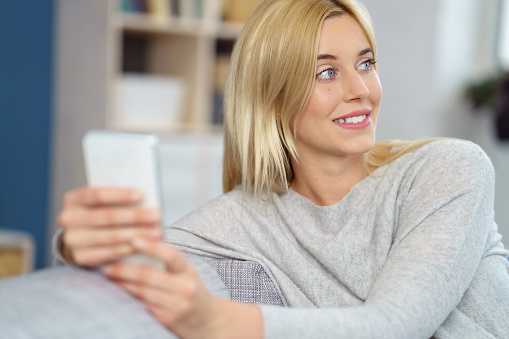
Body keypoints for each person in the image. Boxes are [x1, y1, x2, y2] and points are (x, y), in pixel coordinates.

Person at [55, 0, 509, 338]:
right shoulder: (246, 218)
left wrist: (218, 322)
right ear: (272, 100)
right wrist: (78, 246)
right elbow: (151, 259)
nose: (361, 90)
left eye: (366, 63)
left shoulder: (448, 170)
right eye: (326, 73)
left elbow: (392, 327)